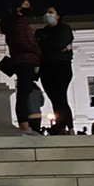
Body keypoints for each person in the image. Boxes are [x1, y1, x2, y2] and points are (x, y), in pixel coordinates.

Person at [0, 0, 41, 135]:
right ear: (18, 7)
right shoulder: (18, 22)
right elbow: (23, 42)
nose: (29, 7)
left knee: (23, 93)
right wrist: (37, 50)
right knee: (24, 93)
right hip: (25, 60)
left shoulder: (11, 23)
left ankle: (24, 124)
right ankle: (24, 124)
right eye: (26, 5)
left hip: (19, 60)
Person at [35, 7, 75, 135]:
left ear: (58, 16)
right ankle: (62, 126)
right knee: (54, 98)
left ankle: (69, 126)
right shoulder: (40, 32)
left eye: (51, 12)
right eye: (46, 12)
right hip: (46, 68)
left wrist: (46, 45)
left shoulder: (64, 28)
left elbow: (58, 43)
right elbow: (39, 47)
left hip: (61, 66)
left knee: (60, 96)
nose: (47, 14)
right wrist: (56, 47)